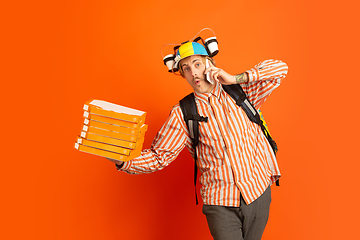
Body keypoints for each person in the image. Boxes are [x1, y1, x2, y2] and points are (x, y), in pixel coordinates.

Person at [108, 41, 288, 240]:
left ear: (209, 63)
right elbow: (159, 156)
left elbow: (280, 69)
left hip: (258, 191)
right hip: (220, 202)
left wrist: (235, 77)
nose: (193, 72)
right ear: (182, 74)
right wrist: (122, 160)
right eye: (186, 68)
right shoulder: (182, 113)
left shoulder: (242, 91)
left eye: (197, 64)